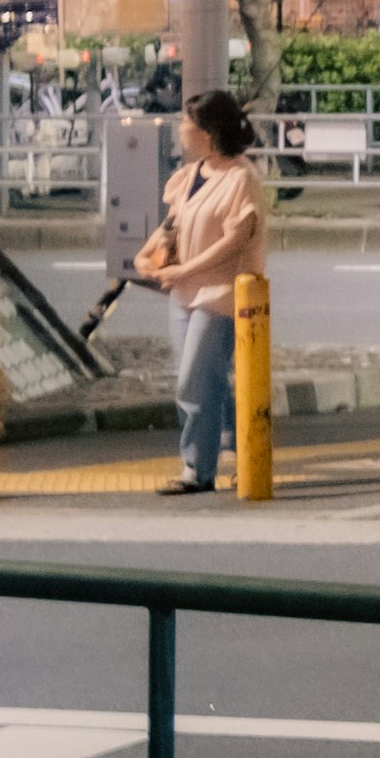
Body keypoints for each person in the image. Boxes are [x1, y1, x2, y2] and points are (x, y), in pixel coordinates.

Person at [133, 89, 268, 495]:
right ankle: (236, 446)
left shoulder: (240, 178)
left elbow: (236, 238)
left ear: (208, 131)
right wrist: (146, 256)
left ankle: (198, 467)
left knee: (194, 380)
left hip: (222, 294)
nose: (181, 130)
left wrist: (185, 268)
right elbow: (174, 224)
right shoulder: (194, 173)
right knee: (206, 381)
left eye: (187, 123)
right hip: (184, 293)